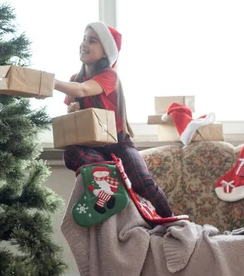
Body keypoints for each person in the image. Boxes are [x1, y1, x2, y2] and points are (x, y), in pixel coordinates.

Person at [53, 21, 174, 217]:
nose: (84, 44)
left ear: (105, 53)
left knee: (142, 180)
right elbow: (72, 112)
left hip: (118, 142)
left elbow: (83, 90)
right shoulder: (75, 78)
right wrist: (72, 111)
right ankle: (113, 179)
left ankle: (171, 220)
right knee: (71, 155)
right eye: (84, 39)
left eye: (91, 41)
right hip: (92, 147)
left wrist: (51, 83)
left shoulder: (109, 76)